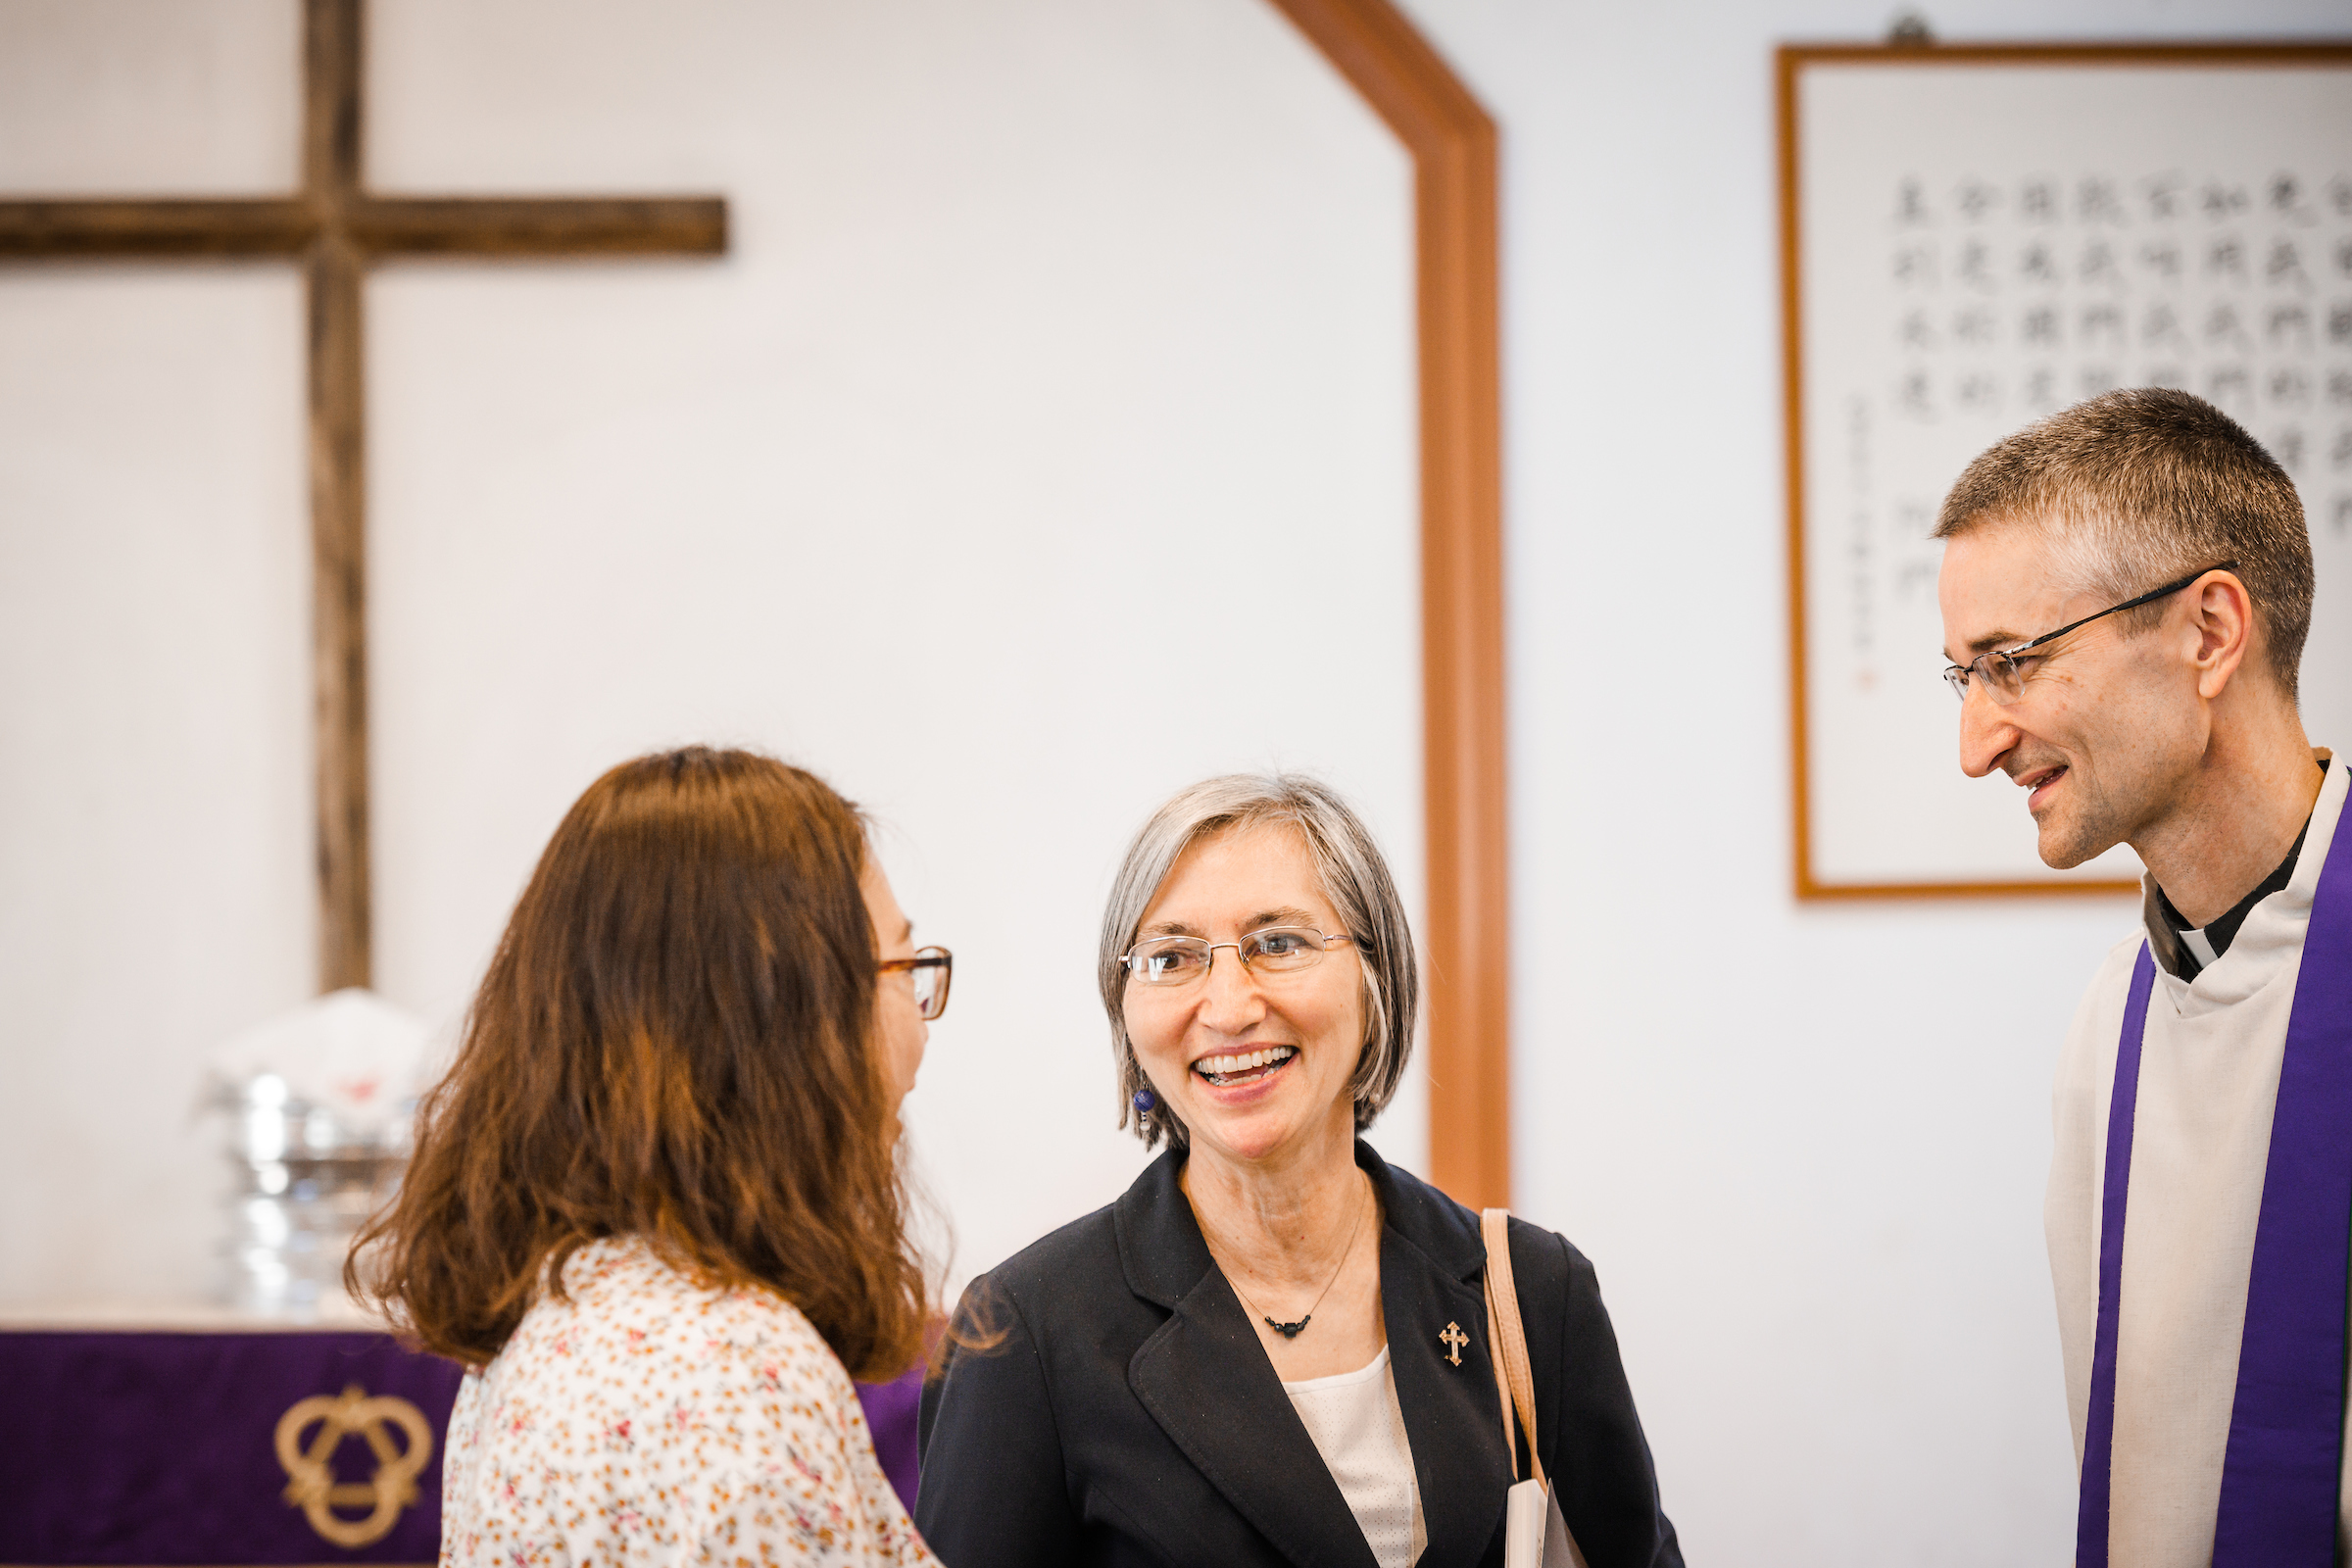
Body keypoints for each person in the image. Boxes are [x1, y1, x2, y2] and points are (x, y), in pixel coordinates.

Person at [915, 773, 1680, 1567]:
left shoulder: (1528, 1290)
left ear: (1374, 978)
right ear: (1126, 1010)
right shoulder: (1021, 1334)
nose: (1229, 1007)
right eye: (1172, 958)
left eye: (1277, 943)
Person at [349, 747, 955, 1564]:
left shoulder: (565, 1311)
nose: (920, 1024)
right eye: (900, 968)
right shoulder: (739, 1378)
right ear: (774, 1023)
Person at [1935, 388, 2344, 1568]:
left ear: (2210, 632)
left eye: (2012, 661)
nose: (1976, 746)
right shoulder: (2111, 1024)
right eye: (1963, 677)